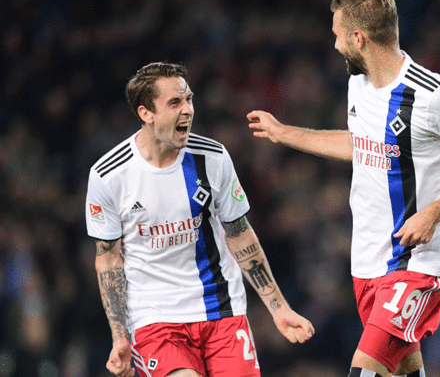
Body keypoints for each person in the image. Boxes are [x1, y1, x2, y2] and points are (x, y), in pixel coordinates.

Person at [246, 0, 440, 376]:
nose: (335, 44)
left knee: (365, 370)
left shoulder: (436, 97)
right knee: (404, 369)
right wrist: (285, 133)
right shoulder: (360, 85)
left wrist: (433, 213)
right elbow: (361, 145)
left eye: (338, 34)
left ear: (359, 38)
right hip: (369, 262)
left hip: (418, 265)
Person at [85, 62, 314, 377]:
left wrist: (278, 307)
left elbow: (240, 235)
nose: (188, 110)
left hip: (220, 309)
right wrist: (120, 335)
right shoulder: (109, 175)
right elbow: (109, 261)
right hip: (155, 318)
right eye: (175, 103)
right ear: (146, 113)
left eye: (189, 99)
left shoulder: (213, 158)